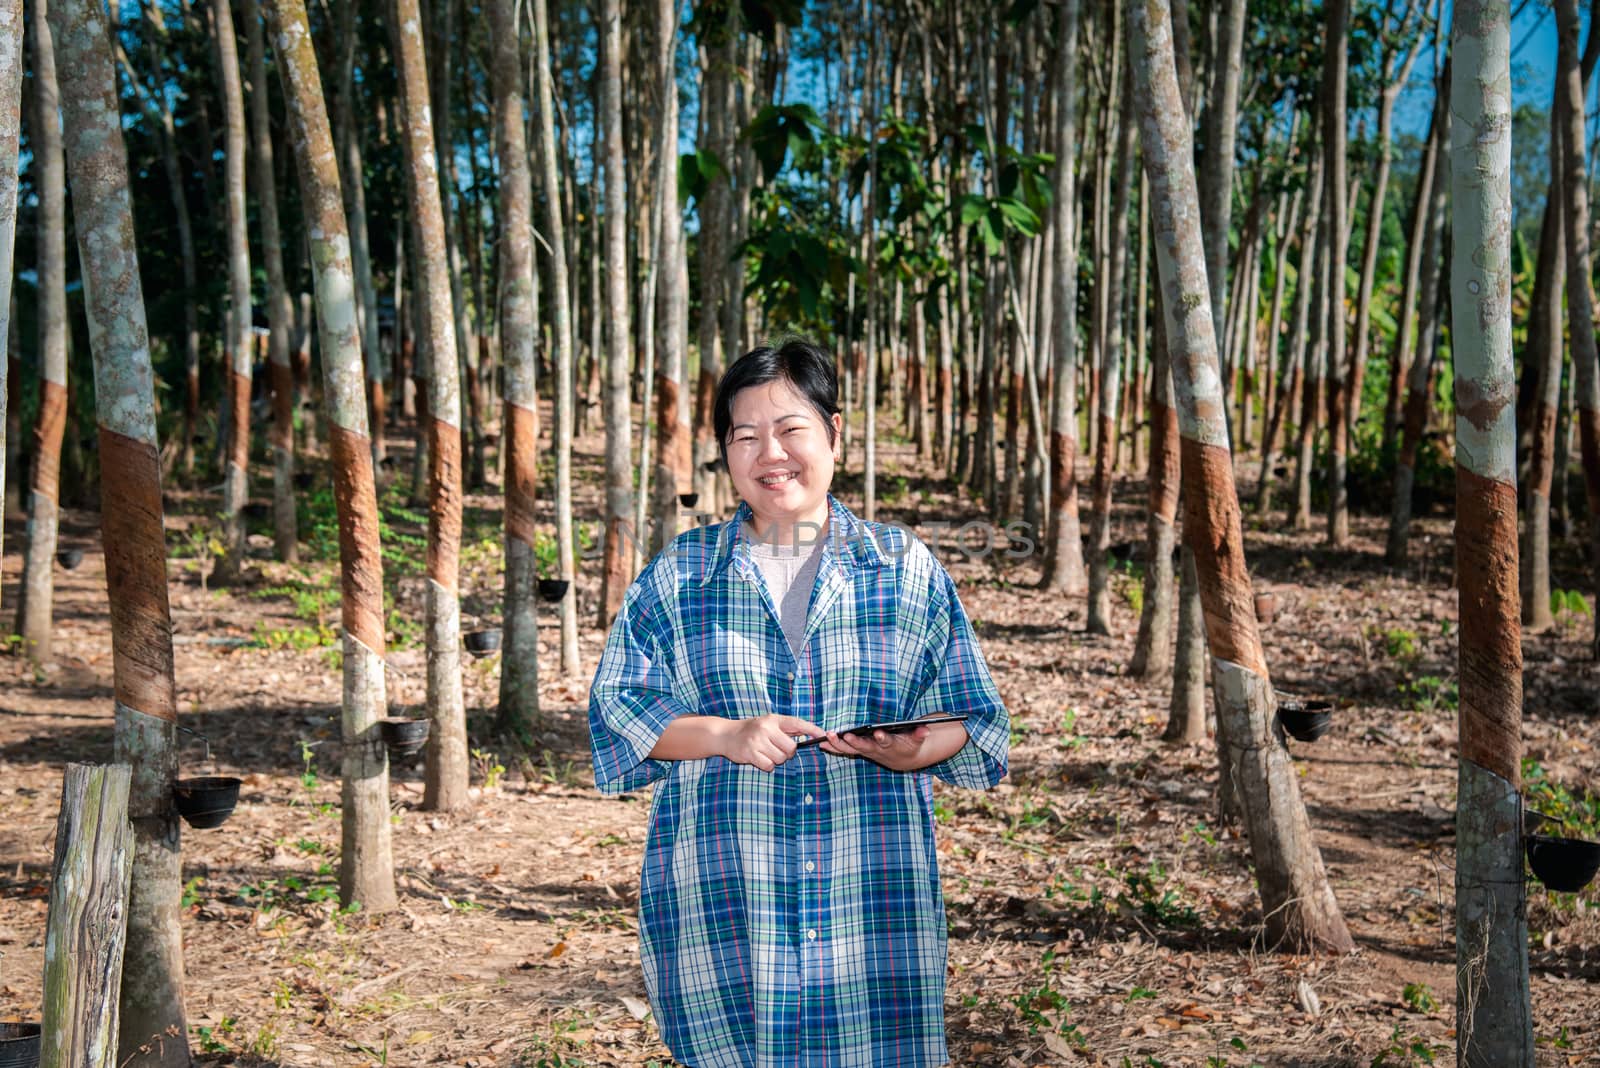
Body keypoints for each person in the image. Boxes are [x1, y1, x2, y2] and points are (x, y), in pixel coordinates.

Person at [588, 336, 1009, 1067]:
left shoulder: (902, 568)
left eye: (790, 430)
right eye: (744, 436)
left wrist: (916, 750)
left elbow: (975, 720)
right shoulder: (681, 575)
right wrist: (724, 734)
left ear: (834, 434)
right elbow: (619, 712)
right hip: (725, 896)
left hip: (870, 897)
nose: (769, 453)